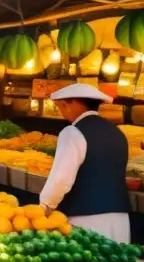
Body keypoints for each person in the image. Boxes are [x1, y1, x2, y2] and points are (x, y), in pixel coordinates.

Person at [39, 84, 130, 243]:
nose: (62, 111)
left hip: (85, 222)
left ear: (73, 103)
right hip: (120, 221)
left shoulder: (72, 132)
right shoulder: (117, 133)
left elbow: (60, 180)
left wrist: (44, 208)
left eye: (62, 106)